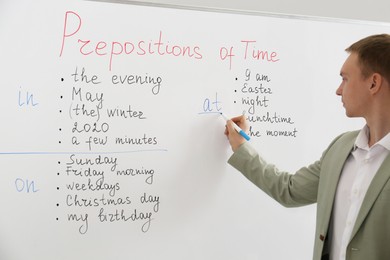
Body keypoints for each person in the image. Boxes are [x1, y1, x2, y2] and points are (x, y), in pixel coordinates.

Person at [224, 34, 390, 260]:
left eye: (345, 79)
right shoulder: (341, 148)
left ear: (373, 83)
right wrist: (243, 147)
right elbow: (290, 190)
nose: (338, 90)